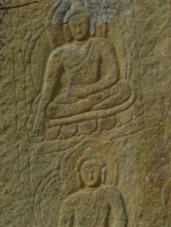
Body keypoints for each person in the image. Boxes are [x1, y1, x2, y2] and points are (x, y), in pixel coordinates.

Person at [33, 3, 133, 138]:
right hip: (71, 96)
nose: (78, 29)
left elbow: (112, 76)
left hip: (96, 92)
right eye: (74, 26)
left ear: (91, 25)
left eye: (82, 24)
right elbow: (49, 87)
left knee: (124, 88)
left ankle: (85, 105)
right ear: (67, 29)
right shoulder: (59, 54)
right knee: (46, 107)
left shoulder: (101, 44)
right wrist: (40, 113)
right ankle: (88, 106)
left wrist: (89, 91)